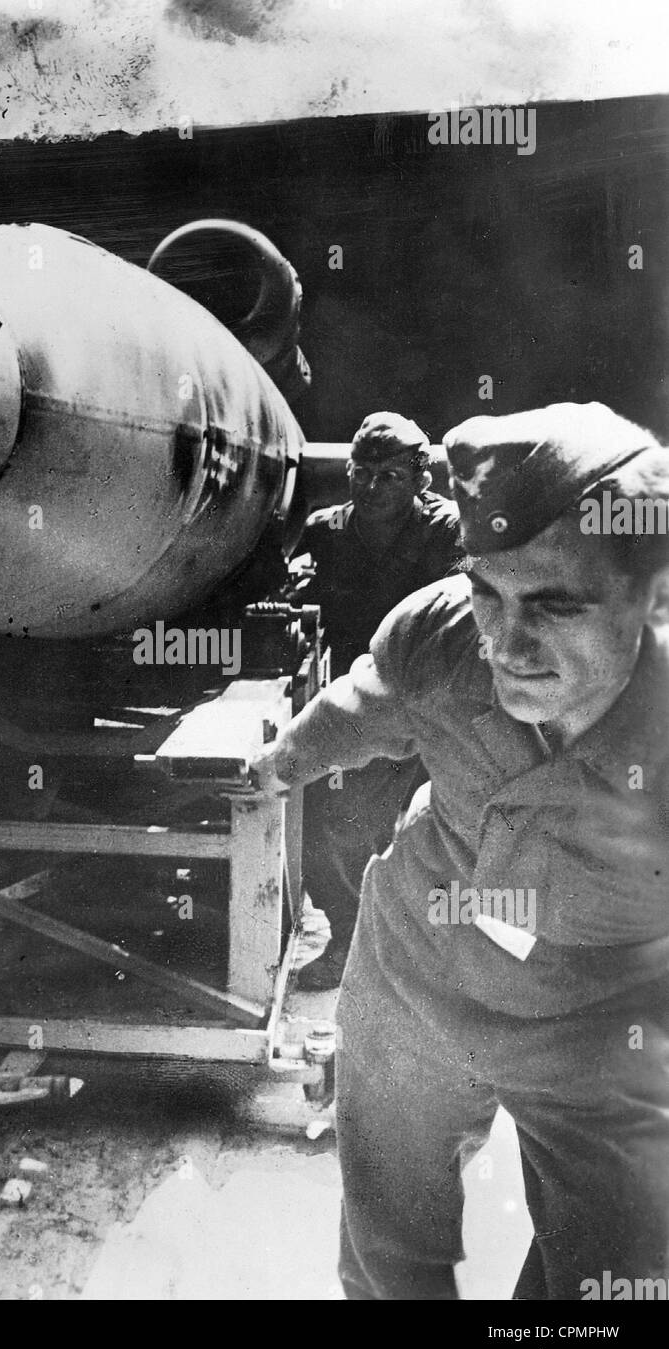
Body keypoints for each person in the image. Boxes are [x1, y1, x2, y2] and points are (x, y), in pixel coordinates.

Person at [251, 401, 669, 1299]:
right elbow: (361, 710)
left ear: (652, 593)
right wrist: (279, 764)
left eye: (553, 605)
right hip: (419, 965)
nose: (505, 645)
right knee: (389, 1221)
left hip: (601, 1011)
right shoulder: (442, 635)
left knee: (614, 1268)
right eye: (488, 592)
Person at [295, 411, 462, 988]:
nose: (370, 487)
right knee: (324, 824)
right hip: (354, 702)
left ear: (422, 480)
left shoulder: (447, 533)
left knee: (411, 835)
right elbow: (293, 606)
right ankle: (349, 938)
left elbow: (462, 625)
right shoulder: (325, 532)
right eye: (360, 472)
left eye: (389, 475)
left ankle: (405, 952)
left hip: (431, 703)